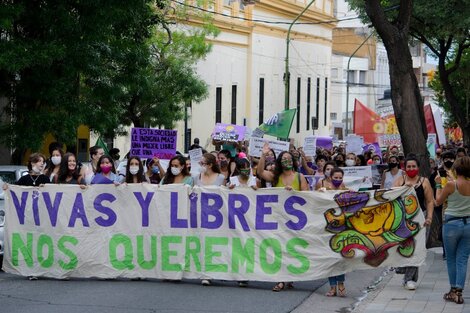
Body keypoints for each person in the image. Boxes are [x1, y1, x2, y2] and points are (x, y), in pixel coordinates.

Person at [257, 143, 308, 292]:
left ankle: (289, 276)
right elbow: (260, 172)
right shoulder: (275, 176)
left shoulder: (300, 177)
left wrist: (294, 192)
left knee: (291, 249)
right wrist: (263, 154)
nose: (287, 161)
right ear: (280, 162)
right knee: (279, 248)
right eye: (283, 159)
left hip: (295, 221)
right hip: (278, 219)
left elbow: (308, 197)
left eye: (289, 158)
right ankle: (281, 279)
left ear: (293, 161)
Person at [393, 156, 434, 290]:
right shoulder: (400, 181)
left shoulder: (424, 182)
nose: (411, 169)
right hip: (403, 220)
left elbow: (429, 201)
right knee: (406, 248)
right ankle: (403, 268)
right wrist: (404, 188)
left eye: (413, 166)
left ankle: (409, 279)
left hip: (420, 219)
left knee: (418, 249)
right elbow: (391, 198)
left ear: (418, 168)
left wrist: (429, 217)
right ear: (404, 168)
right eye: (408, 167)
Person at [434, 156, 470, 304]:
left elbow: (437, 201)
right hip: (468, 224)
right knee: (462, 259)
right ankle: (459, 292)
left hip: (452, 224)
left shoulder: (450, 185)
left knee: (451, 259)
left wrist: (438, 186)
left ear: (456, 169)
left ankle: (453, 291)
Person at [193, 153, 225, 286]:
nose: (200, 166)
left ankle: (213, 272)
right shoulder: (196, 177)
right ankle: (205, 273)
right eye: (200, 163)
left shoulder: (220, 178)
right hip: (200, 215)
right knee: (202, 244)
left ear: (210, 165)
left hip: (215, 218)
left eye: (203, 163)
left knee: (213, 244)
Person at [318, 167, 348, 297]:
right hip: (327, 227)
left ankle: (341, 283)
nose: (337, 180)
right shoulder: (323, 187)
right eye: (335, 177)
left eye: (340, 178)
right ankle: (332, 286)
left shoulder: (345, 190)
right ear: (330, 177)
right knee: (330, 257)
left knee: (340, 257)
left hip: (341, 227)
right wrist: (319, 193)